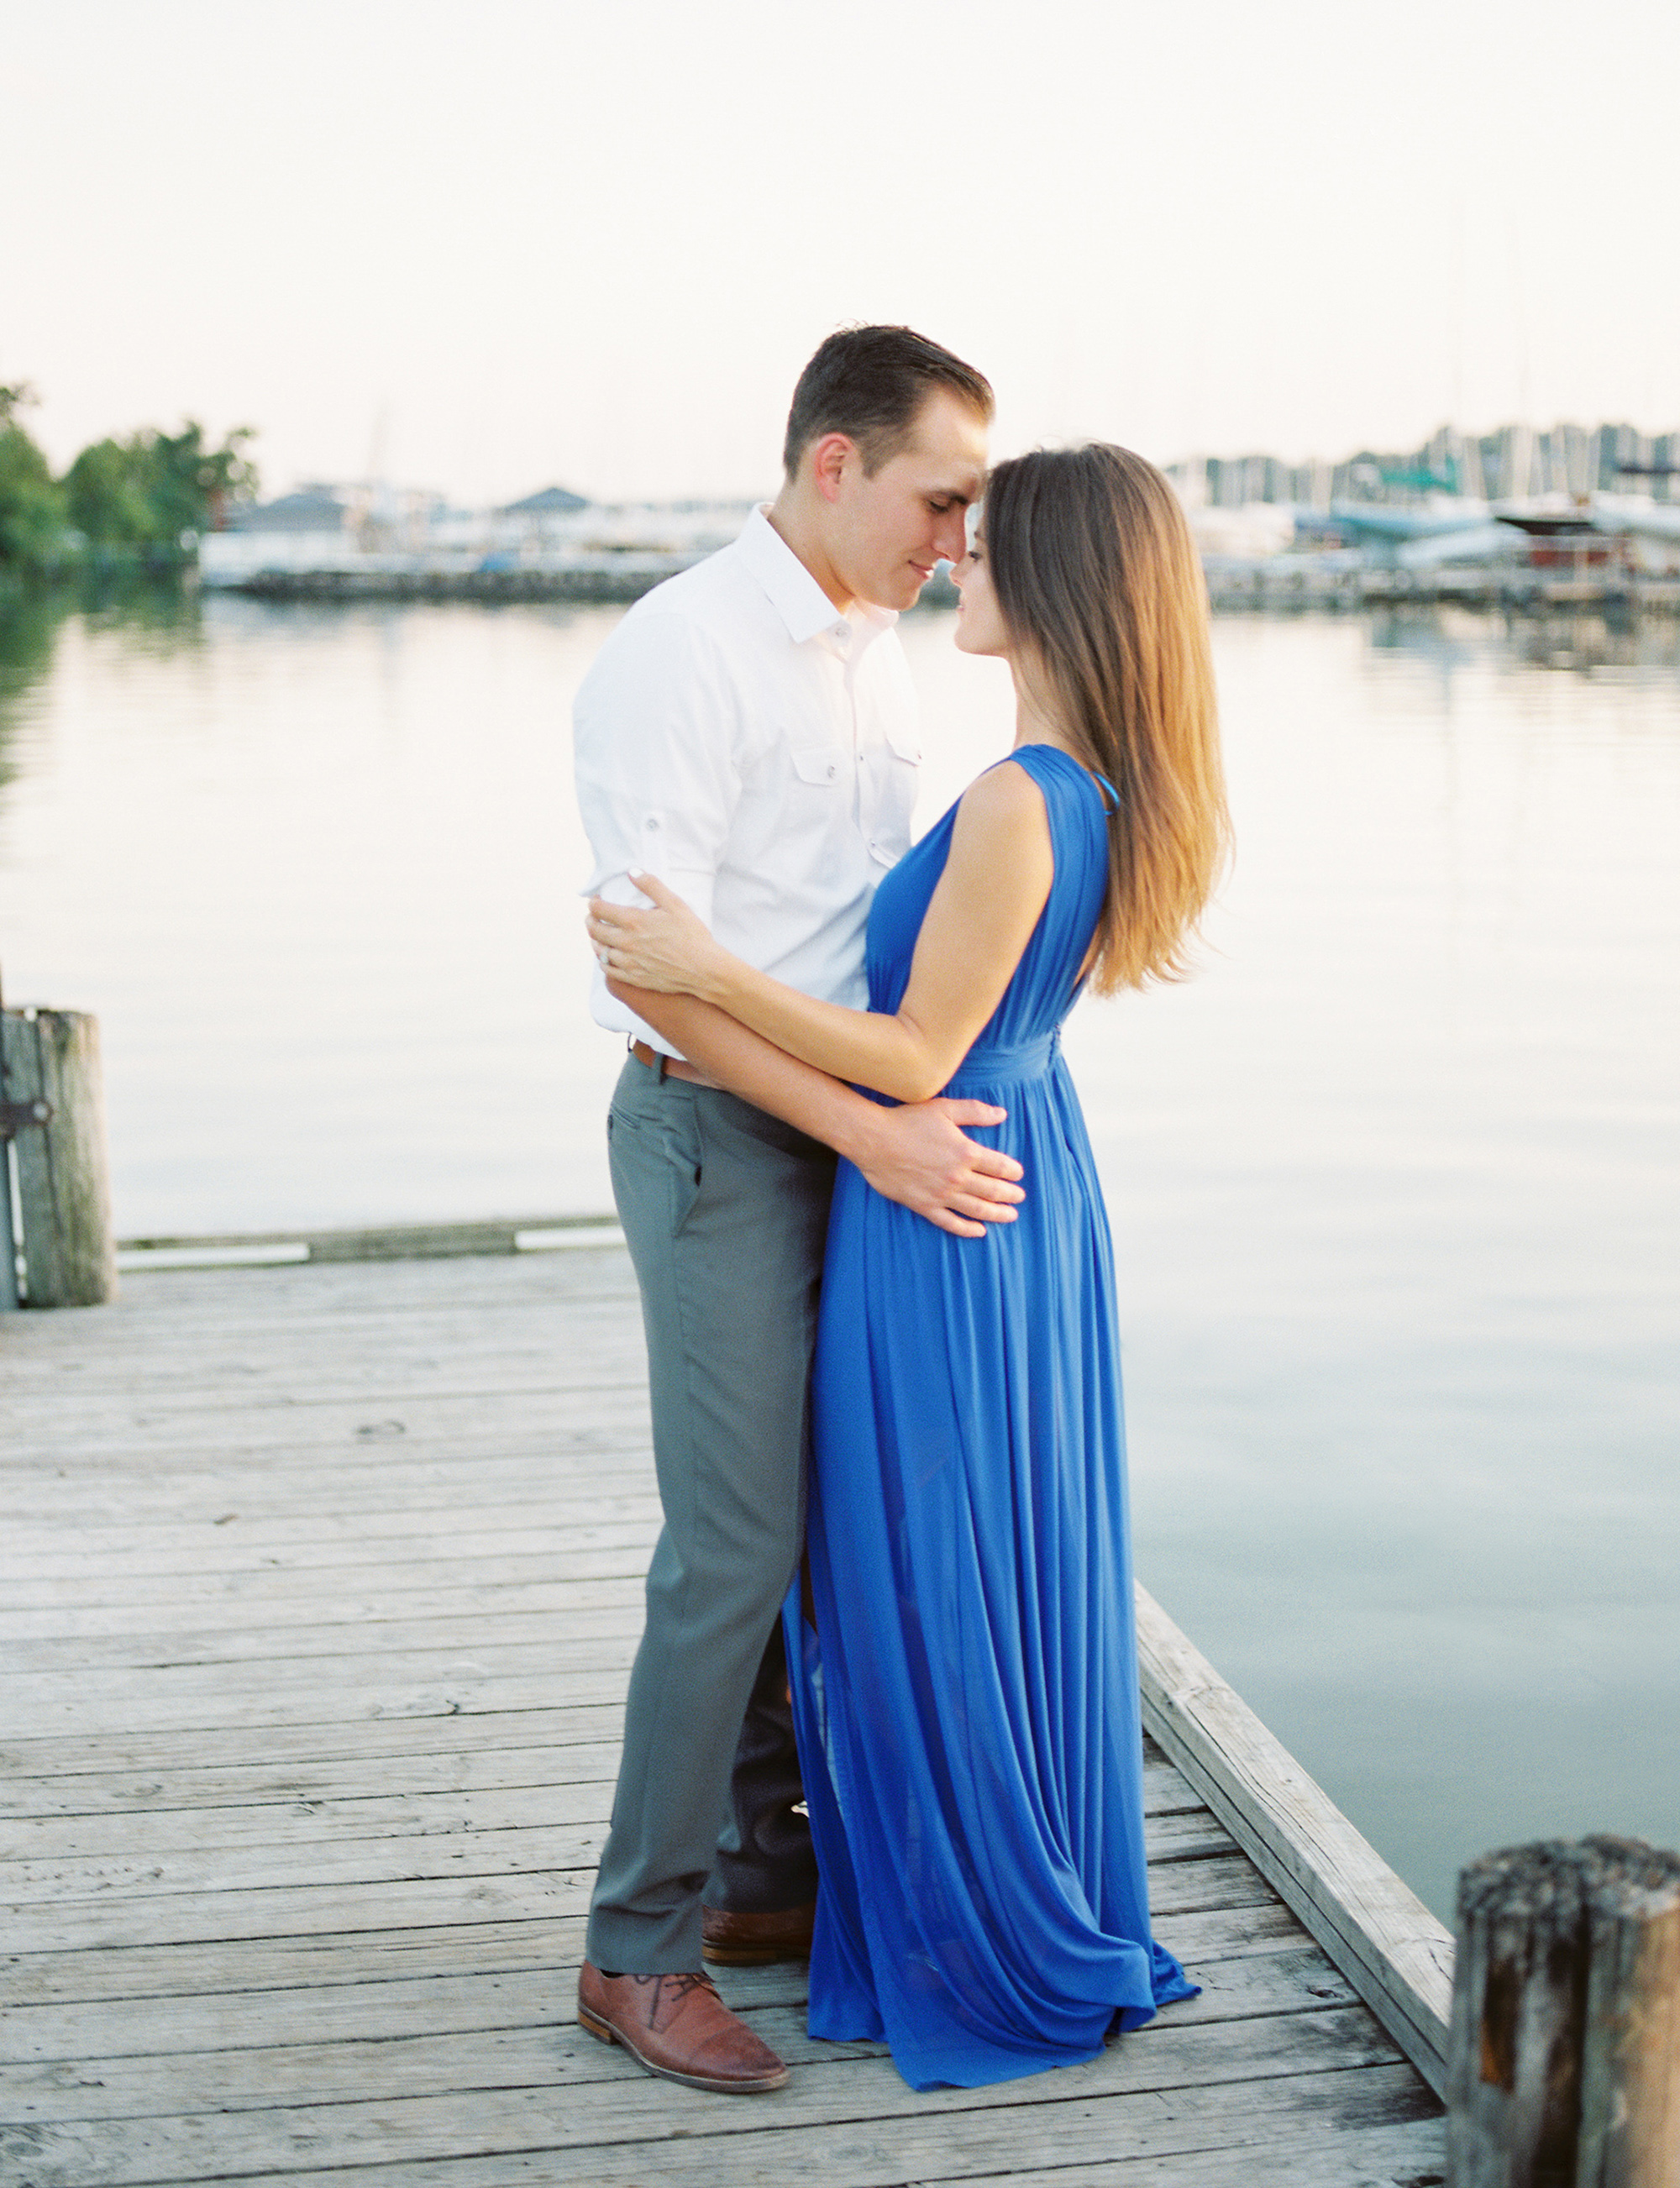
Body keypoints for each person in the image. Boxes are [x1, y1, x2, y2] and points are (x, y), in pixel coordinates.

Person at [587, 441, 1231, 2089]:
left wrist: (698, 962)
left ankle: (946, 1904)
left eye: (989, 535)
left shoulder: (1024, 795)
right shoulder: (1077, 781)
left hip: (939, 1179)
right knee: (969, 1542)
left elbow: (912, 1045)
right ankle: (805, 1879)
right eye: (949, 518)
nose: (960, 556)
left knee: (925, 1551)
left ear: (1067, 581)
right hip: (999, 1171)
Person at [572, 327, 1028, 2098]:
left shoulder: (882, 662)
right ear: (833, 462)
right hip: (718, 1144)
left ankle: (770, 1874)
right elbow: (658, 981)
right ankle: (635, 1949)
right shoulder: (681, 651)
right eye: (939, 497)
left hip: (853, 1138)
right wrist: (877, 1132)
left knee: (833, 1532)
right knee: (730, 1549)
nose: (955, 537)